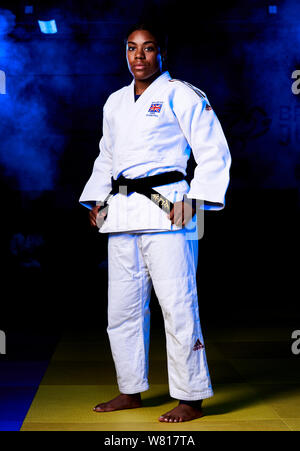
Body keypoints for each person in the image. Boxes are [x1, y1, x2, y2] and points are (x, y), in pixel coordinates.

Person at [79, 23, 231, 423]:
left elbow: (212, 148)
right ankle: (130, 389)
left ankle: (191, 395)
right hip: (122, 212)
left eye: (147, 49)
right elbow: (106, 158)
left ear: (162, 53)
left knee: (178, 305)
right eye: (131, 49)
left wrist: (196, 200)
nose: (139, 57)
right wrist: (97, 200)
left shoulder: (182, 94)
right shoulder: (114, 102)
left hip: (169, 209)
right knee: (122, 310)